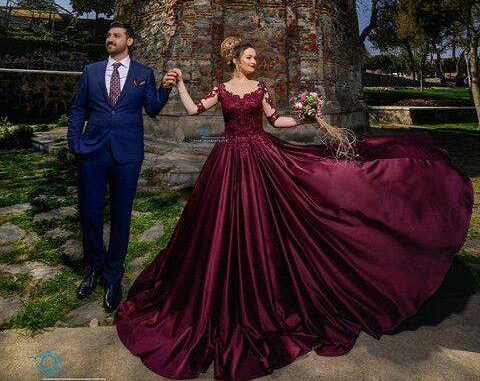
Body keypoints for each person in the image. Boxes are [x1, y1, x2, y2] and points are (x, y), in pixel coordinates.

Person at [114, 35, 473, 381]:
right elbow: (193, 109)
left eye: (256, 58)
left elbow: (276, 121)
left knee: (271, 222)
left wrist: (306, 115)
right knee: (219, 226)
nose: (256, 62)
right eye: (250, 57)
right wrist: (178, 85)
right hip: (227, 162)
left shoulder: (260, 90)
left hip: (263, 159)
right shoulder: (221, 90)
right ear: (237, 60)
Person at [67, 21, 178, 312]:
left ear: (129, 41)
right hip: (92, 152)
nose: (110, 39)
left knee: (121, 215)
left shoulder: (143, 73)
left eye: (116, 35)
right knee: (90, 212)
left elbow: (152, 108)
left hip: (127, 155)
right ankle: (93, 267)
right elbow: (79, 108)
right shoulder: (91, 71)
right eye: (108, 35)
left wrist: (164, 89)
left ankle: (113, 275)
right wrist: (75, 143)